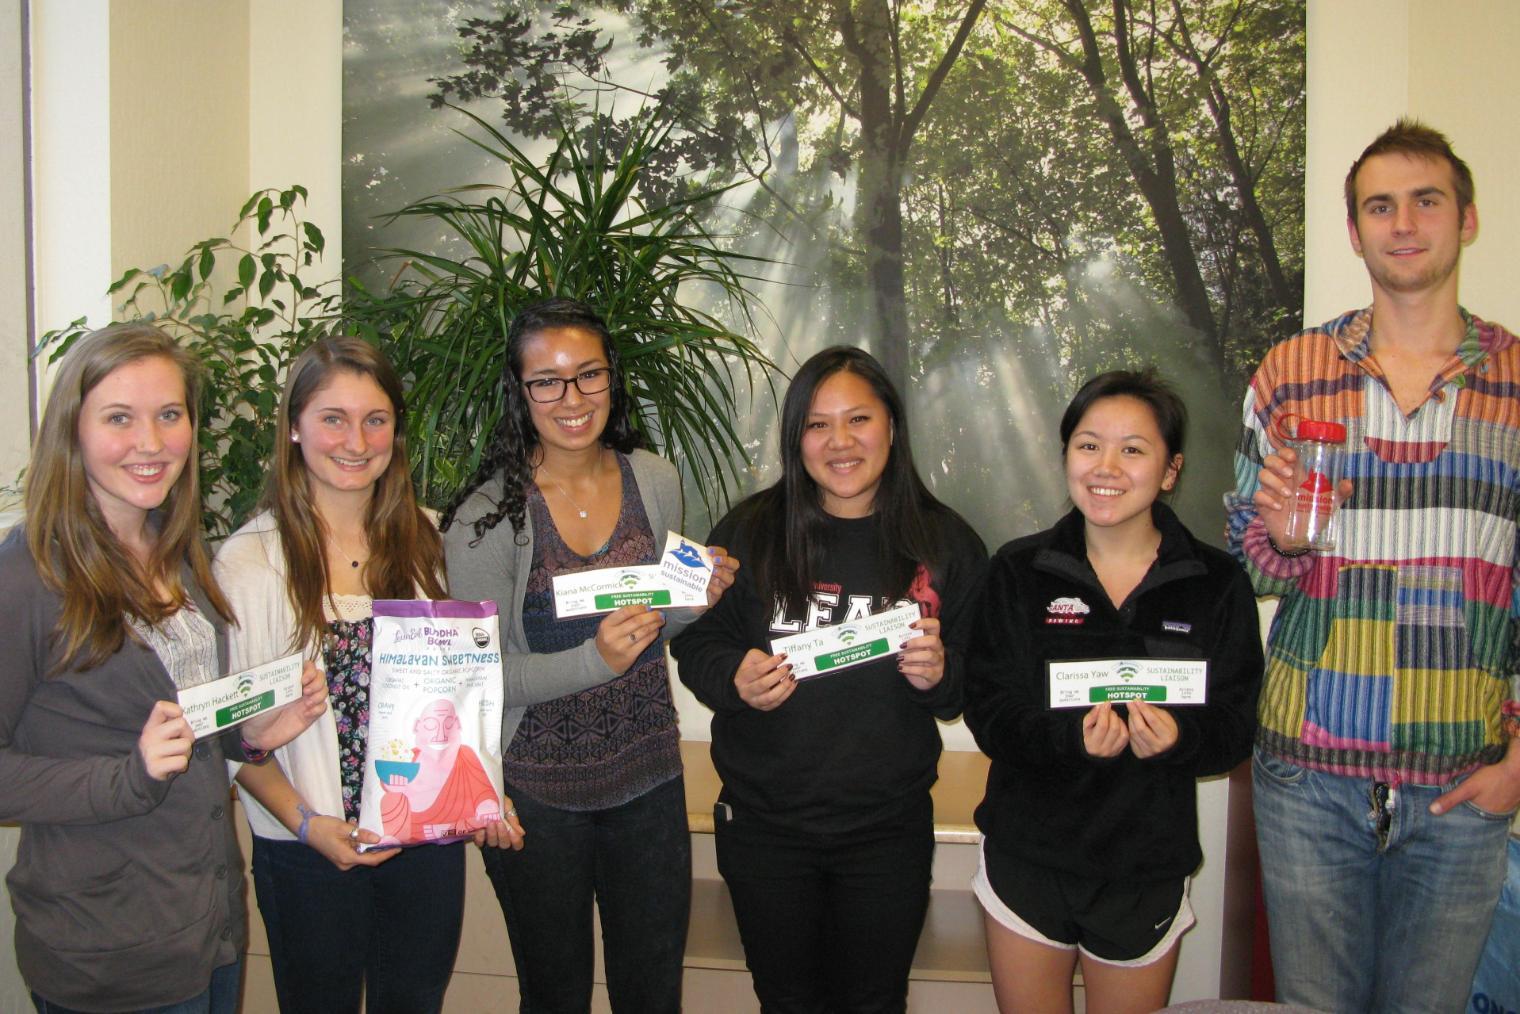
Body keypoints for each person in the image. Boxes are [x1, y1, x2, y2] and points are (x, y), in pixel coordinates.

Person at [1225, 119, 1520, 1013]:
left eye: (1426, 200)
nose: (1403, 223)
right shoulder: (1292, 371)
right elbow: (1259, 571)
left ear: (1465, 218)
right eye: (1379, 206)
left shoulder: (1515, 383)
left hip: (1463, 784)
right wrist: (1280, 532)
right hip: (1307, 776)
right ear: (1354, 232)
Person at [0, 323, 323, 1013]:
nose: (151, 443)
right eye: (120, 418)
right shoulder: (26, 576)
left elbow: (187, 724)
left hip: (205, 927)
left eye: (169, 415)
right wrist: (129, 776)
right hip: (107, 949)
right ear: (73, 431)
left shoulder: (175, 552)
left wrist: (256, 732)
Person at [670, 345, 987, 1013]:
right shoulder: (750, 531)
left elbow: (975, 683)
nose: (839, 442)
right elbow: (699, 640)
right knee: (786, 1001)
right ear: (796, 439)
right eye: (817, 424)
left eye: (858, 419)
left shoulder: (946, 543)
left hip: (886, 829)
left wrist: (942, 675)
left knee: (874, 1001)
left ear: (892, 428)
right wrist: (734, 677)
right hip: (764, 826)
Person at [442, 297, 737, 1013]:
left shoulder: (655, 480)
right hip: (537, 796)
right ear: (519, 393)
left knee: (652, 993)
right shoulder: (487, 519)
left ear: (613, 380)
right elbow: (474, 678)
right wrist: (591, 661)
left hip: (648, 777)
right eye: (547, 381)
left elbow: (644, 635)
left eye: (589, 375)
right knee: (555, 997)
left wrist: (692, 603)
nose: (572, 399)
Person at [216, 337, 523, 1014]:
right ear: (294, 427)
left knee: (414, 1002)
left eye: (376, 419)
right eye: (333, 418)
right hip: (307, 847)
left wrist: (483, 792)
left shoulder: (431, 544)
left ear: (395, 433)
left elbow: (460, 698)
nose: (356, 440)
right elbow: (232, 745)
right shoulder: (249, 565)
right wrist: (308, 827)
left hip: (423, 845)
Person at [965, 369, 1262, 1014]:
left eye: (1133, 449)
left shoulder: (1216, 582)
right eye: (1088, 444)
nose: (1107, 466)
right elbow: (989, 708)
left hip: (1146, 863)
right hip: (1029, 856)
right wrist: (1067, 737)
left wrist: (1182, 739)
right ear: (1067, 454)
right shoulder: (1018, 571)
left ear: (1171, 469)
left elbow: (1238, 723)